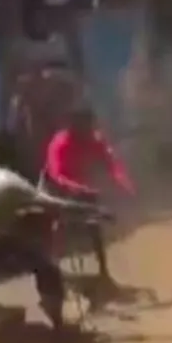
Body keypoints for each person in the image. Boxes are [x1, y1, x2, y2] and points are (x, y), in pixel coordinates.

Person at [0, 129, 106, 331]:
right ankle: (59, 325)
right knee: (46, 267)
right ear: (9, 153)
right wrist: (93, 209)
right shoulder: (9, 182)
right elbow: (53, 204)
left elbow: (14, 202)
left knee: (11, 240)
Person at [40, 109, 133, 282]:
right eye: (84, 128)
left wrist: (122, 182)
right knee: (58, 226)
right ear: (73, 127)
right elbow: (57, 175)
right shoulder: (59, 143)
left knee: (94, 225)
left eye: (89, 127)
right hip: (54, 187)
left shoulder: (94, 139)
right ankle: (53, 269)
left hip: (81, 185)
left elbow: (112, 163)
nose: (88, 131)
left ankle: (104, 272)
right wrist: (77, 189)